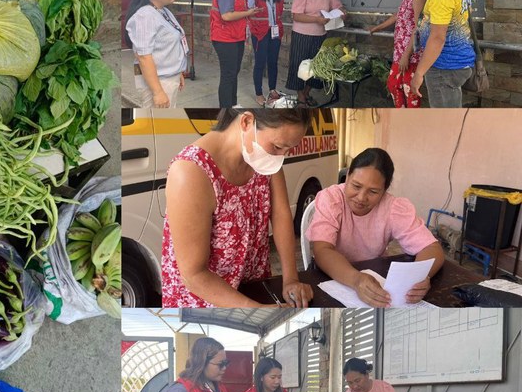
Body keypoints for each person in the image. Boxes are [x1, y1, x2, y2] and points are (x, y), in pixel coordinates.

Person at [162, 107, 315, 309]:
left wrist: (291, 279)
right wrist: (256, 311)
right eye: (278, 147)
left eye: (288, 150)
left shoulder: (264, 160)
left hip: (252, 285)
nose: (281, 156)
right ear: (246, 122)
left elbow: (280, 216)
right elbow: (193, 274)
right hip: (203, 300)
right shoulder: (191, 171)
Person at [306, 148, 445, 307]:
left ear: (384, 191)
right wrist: (356, 280)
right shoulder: (331, 199)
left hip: (374, 274)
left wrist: (420, 278)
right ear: (348, 176)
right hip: (330, 276)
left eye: (373, 191)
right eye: (356, 186)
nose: (361, 198)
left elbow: (432, 247)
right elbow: (322, 250)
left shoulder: (393, 208)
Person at [410, 0, 475, 107]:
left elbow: (438, 37)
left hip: (444, 68)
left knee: (444, 121)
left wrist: (419, 74)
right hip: (455, 62)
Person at [368, 0, 431, 108]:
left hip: (410, 54)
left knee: (410, 91)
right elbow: (398, 15)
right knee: (394, 85)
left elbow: (419, 28)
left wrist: (406, 55)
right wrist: (378, 27)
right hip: (400, 51)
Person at [125, 0, 188, 108]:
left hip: (168, 78)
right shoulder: (145, 16)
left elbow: (167, 47)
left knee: (165, 125)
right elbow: (144, 57)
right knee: (157, 126)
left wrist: (177, 73)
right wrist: (158, 92)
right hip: (158, 83)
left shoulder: (162, 11)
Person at [285, 0, 345, 108]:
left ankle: (306, 94)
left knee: (316, 66)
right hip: (301, 35)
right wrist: (316, 20)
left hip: (320, 35)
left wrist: (341, 13)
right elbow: (296, 16)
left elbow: (339, 8)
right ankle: (300, 97)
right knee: (298, 65)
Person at [211, 0, 259, 108]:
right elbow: (226, 15)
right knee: (228, 74)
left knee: (233, 73)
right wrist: (248, 13)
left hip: (236, 37)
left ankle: (233, 104)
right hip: (224, 39)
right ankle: (226, 110)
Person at [247, 0, 285, 107]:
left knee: (273, 61)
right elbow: (247, 13)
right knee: (260, 62)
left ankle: (273, 90)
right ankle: (258, 93)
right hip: (260, 32)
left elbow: (280, 11)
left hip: (275, 31)